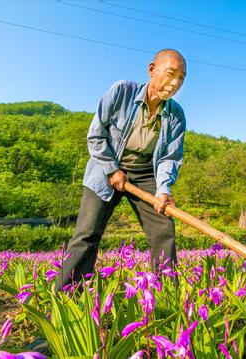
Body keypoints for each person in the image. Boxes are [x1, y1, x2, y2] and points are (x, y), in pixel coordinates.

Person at [55, 49, 187, 292]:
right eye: (170, 74)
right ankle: (65, 296)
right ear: (151, 70)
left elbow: (170, 157)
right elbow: (96, 135)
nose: (175, 83)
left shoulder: (176, 115)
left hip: (146, 173)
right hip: (107, 166)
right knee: (87, 233)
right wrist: (112, 170)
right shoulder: (121, 92)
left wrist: (164, 190)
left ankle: (168, 298)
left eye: (181, 78)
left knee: (163, 231)